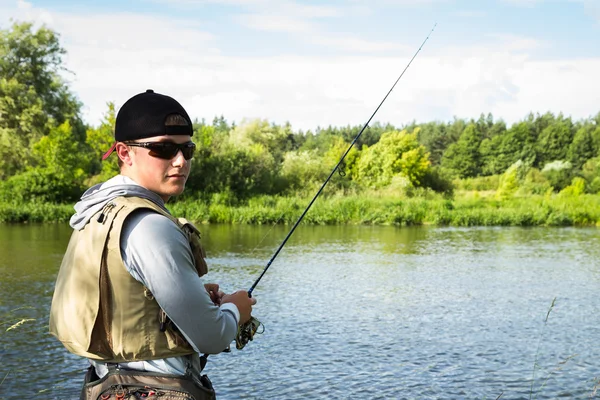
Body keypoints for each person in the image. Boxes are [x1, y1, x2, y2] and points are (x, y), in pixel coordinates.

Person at [49, 89, 257, 400]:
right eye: (162, 149)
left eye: (187, 149)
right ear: (124, 152)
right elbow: (213, 337)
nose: (180, 161)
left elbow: (126, 303)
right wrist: (235, 309)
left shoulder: (98, 211)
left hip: (107, 386)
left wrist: (196, 300)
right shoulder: (151, 225)